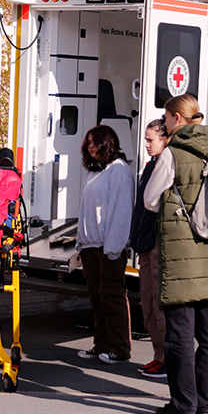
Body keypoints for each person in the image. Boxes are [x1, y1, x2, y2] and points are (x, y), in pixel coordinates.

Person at [143, 94, 208, 414]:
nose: (163, 124)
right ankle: (206, 405)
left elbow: (152, 200)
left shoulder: (173, 154)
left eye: (165, 118)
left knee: (179, 335)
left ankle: (183, 406)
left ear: (178, 119)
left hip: (181, 256)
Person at [75, 125, 135, 365]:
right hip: (91, 247)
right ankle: (101, 345)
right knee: (97, 299)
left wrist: (113, 249)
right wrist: (81, 242)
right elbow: (86, 210)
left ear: (107, 142)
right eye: (88, 142)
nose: (90, 146)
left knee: (112, 298)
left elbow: (121, 213)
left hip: (108, 248)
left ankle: (120, 349)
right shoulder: (94, 171)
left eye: (95, 142)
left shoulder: (118, 171)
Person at [130, 119, 169, 379]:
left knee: (158, 305)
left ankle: (167, 359)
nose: (146, 144)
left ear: (164, 140)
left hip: (156, 244)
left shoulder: (166, 165)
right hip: (144, 243)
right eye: (145, 139)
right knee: (146, 303)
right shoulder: (150, 166)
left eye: (150, 140)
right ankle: (158, 356)